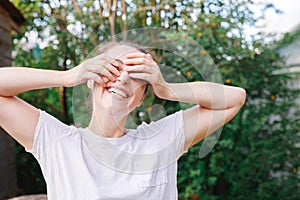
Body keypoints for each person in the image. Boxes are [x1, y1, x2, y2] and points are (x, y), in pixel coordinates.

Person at [0, 42, 246, 199]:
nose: (122, 79)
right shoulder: (58, 143)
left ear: (140, 99)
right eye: (112, 68)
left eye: (137, 75)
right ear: (90, 78)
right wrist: (67, 76)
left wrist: (167, 89)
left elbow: (234, 98)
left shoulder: (161, 139)